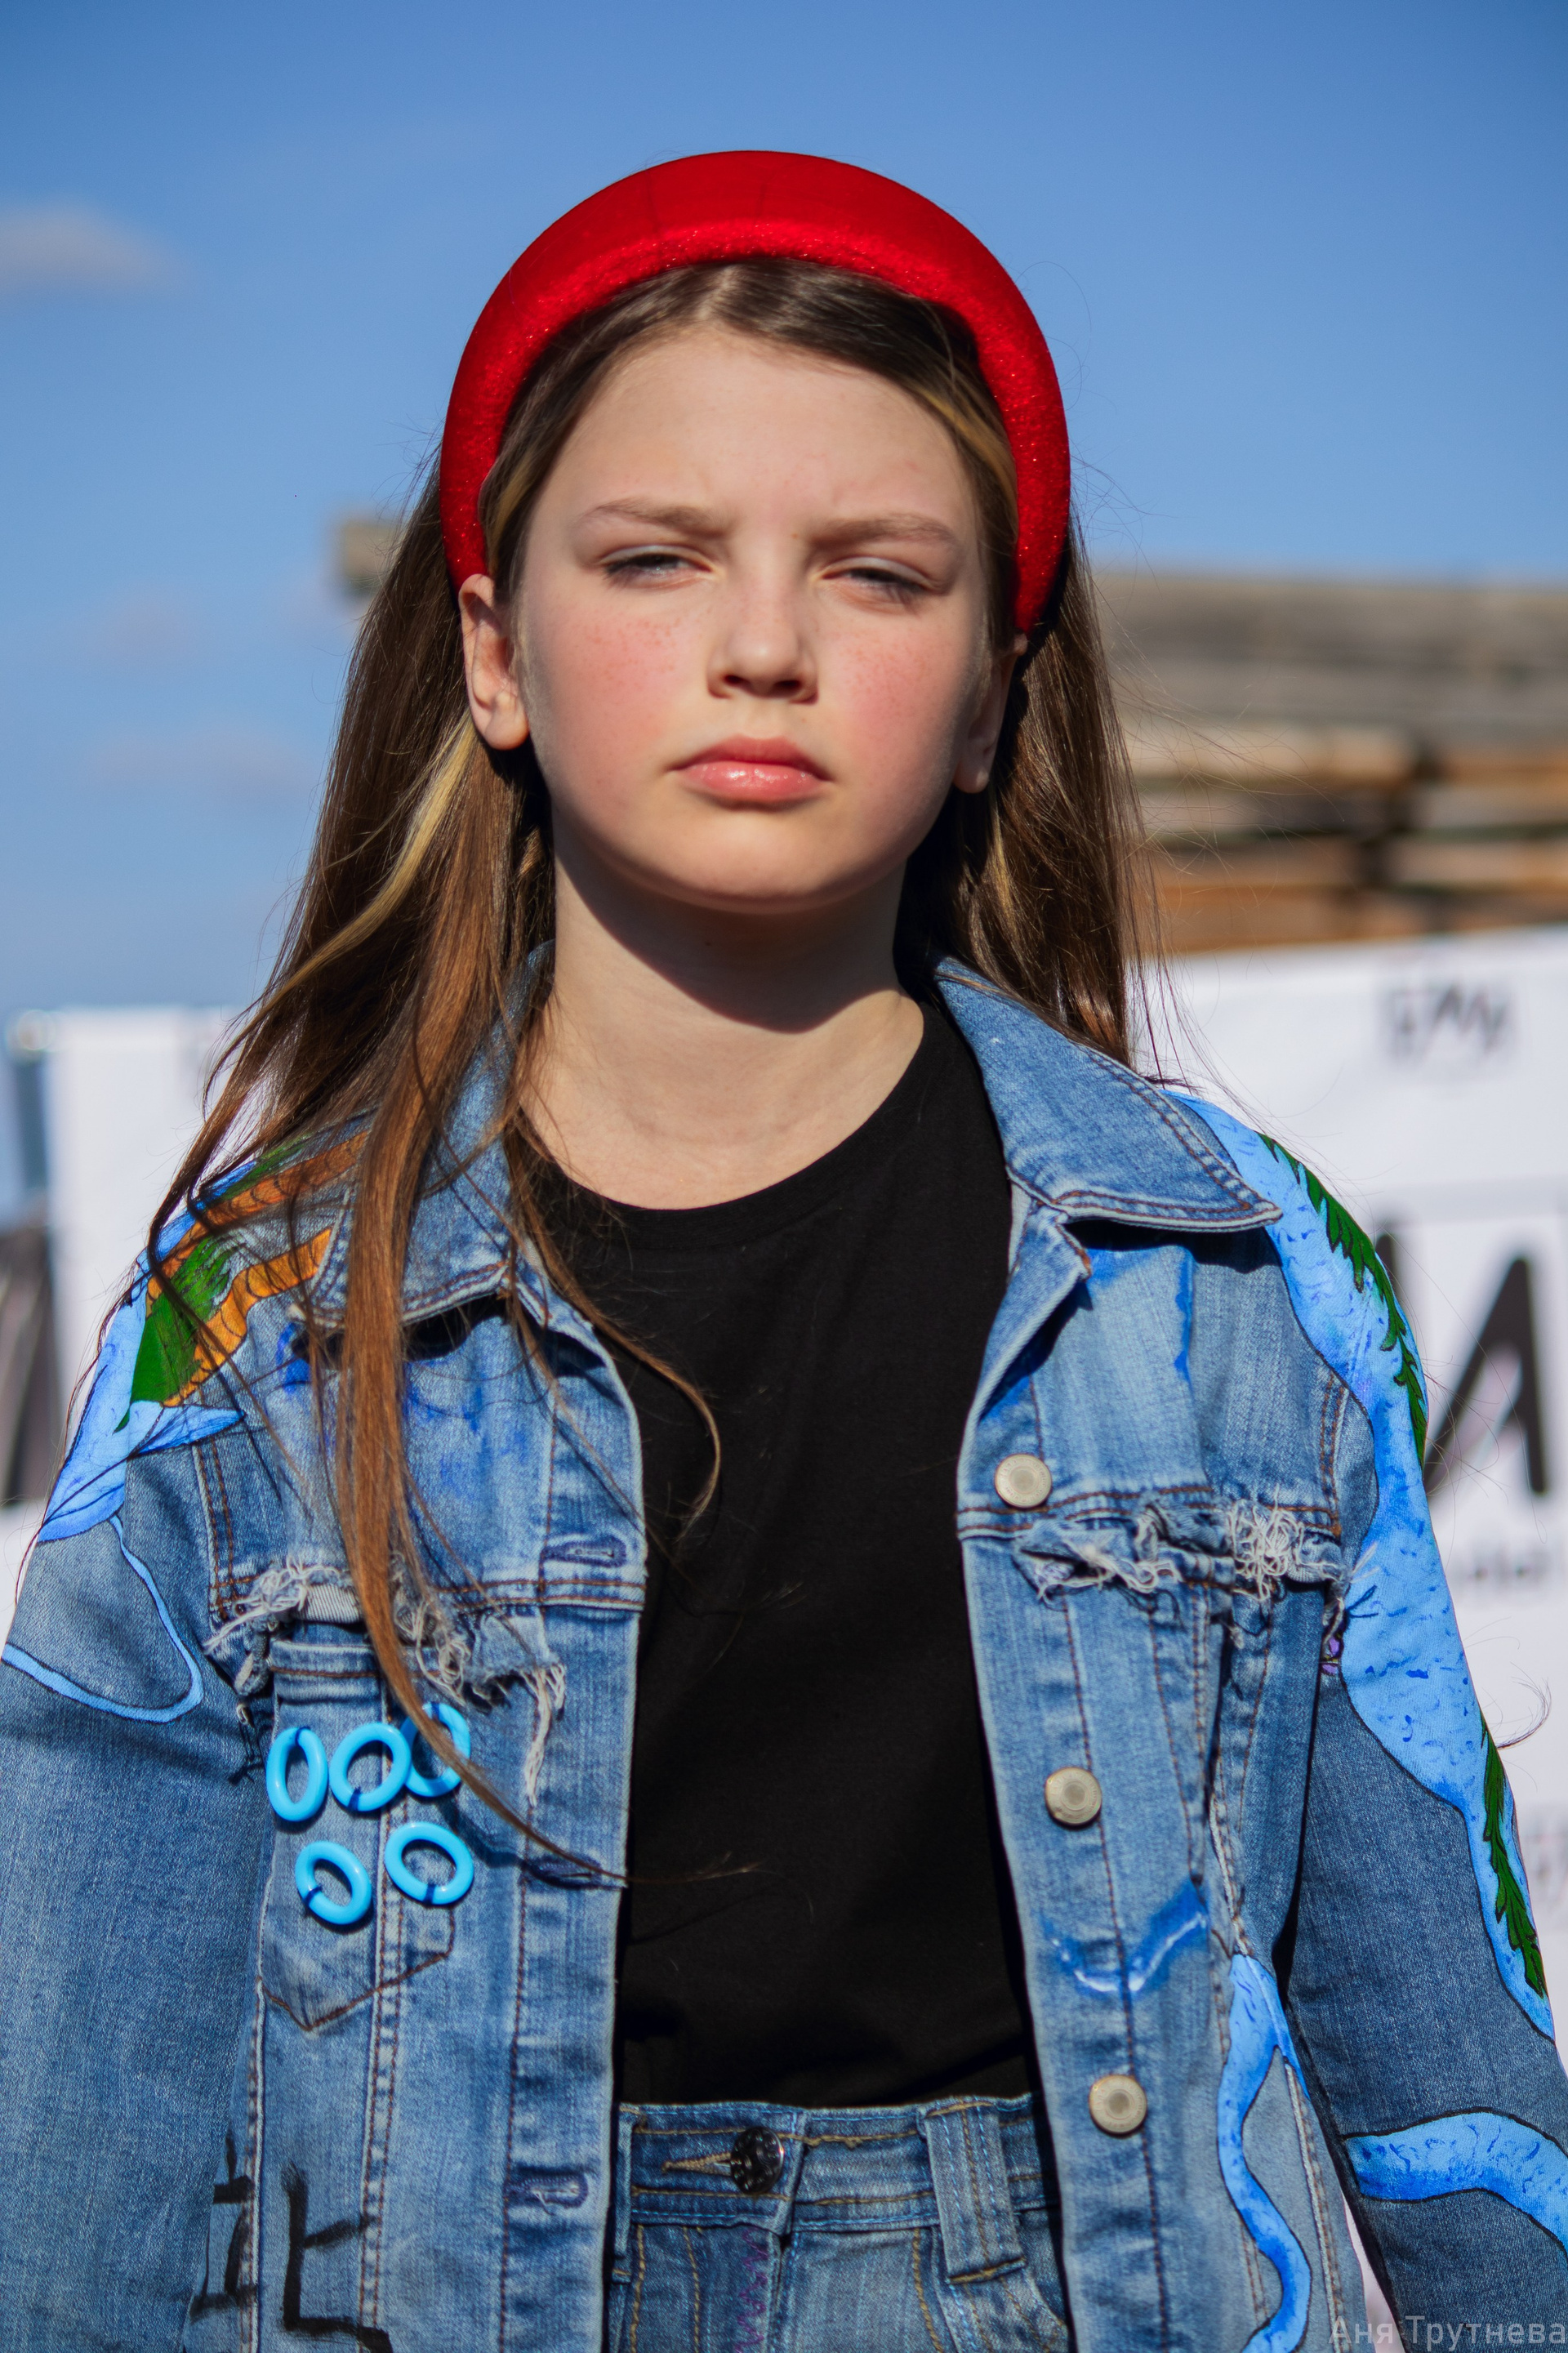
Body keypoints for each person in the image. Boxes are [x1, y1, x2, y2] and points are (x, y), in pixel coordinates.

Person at [0, 150, 1563, 2353]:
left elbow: (1459, 2098)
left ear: (995, 692)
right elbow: (77, 2150)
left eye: (877, 572)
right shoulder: (260, 1328)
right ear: (493, 653)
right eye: (656, 557)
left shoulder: (1234, 1278)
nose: (764, 644)